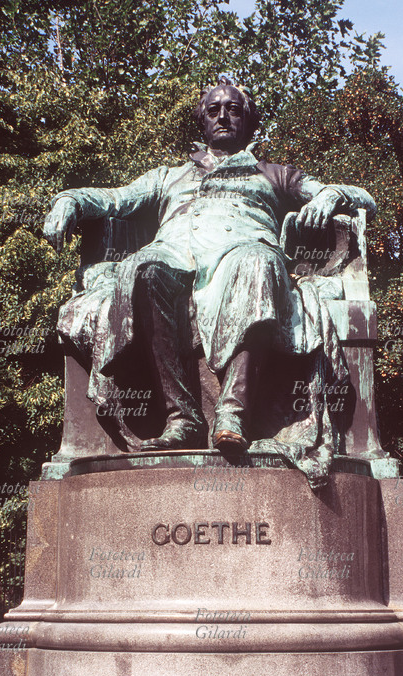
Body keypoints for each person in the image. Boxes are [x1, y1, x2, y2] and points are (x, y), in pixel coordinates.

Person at [44, 77, 376, 457]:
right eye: (214, 110)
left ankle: (233, 413)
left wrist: (332, 194)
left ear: (249, 123)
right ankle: (182, 419)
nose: (223, 116)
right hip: (175, 257)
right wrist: (69, 199)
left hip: (243, 252)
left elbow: (363, 198)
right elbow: (114, 199)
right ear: (202, 121)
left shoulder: (273, 174)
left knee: (257, 262)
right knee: (144, 270)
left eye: (234, 110)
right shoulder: (168, 176)